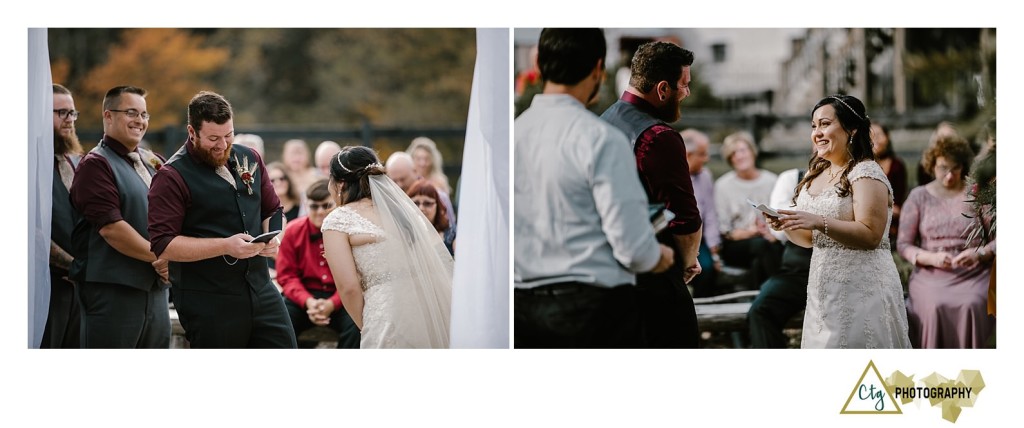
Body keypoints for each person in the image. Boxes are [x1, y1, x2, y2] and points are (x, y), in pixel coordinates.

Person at [515, 28, 675, 348]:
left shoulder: (513, 136)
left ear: (539, 63)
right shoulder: (600, 138)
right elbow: (633, 249)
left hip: (521, 310)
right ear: (598, 68)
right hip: (594, 311)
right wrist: (661, 256)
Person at [148, 91, 297, 348]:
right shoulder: (171, 176)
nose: (222, 145)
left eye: (228, 135)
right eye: (213, 138)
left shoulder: (249, 157)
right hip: (209, 302)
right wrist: (226, 246)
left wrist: (275, 237)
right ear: (192, 132)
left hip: (262, 290)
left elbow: (273, 210)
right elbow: (163, 243)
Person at [767, 94, 911, 349]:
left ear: (852, 129)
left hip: (863, 287)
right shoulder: (817, 173)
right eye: (813, 126)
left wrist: (816, 220)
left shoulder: (866, 172)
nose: (817, 133)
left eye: (825, 124)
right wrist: (787, 225)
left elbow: (870, 235)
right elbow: (810, 240)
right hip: (822, 289)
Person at [600, 41, 703, 348]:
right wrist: (687, 263)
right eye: (683, 85)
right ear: (662, 89)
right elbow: (685, 219)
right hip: (653, 281)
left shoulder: (602, 122)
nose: (686, 93)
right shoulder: (659, 137)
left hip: (607, 280)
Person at [321, 146, 454, 348]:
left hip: (385, 314)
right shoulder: (404, 213)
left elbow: (348, 289)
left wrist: (366, 324)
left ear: (339, 184)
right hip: (428, 310)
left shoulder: (336, 221)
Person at [68, 85, 170, 348]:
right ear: (108, 116)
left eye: (145, 115)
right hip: (112, 290)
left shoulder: (153, 161)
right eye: (131, 112)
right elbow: (111, 228)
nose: (140, 120)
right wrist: (161, 257)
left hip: (156, 291)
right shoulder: (96, 164)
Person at [897, 135, 995, 348]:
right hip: (931, 273)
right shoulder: (918, 197)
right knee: (933, 305)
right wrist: (931, 258)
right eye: (943, 168)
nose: (949, 175)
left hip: (974, 272)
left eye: (955, 168)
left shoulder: (977, 194)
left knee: (972, 303)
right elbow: (903, 244)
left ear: (964, 166)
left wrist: (979, 254)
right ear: (932, 165)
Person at [277, 179, 360, 348]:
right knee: (280, 319)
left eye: (326, 206)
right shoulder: (293, 230)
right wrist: (308, 301)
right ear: (306, 206)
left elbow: (357, 276)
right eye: (314, 206)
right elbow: (287, 275)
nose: (320, 211)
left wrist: (333, 303)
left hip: (341, 296)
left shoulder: (349, 232)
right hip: (303, 296)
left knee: (357, 325)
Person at [747, 168, 813, 348]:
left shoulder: (854, 177)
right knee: (761, 310)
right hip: (797, 271)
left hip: (838, 271)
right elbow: (779, 235)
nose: (820, 139)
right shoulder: (792, 177)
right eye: (815, 138)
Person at [42, 84, 83, 348]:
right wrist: (73, 266)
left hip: (81, 288)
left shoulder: (77, 161)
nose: (69, 120)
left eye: (72, 113)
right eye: (61, 113)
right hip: (46, 287)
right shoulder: (28, 163)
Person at [714, 131, 782, 290]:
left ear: (752, 152)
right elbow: (725, 231)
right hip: (736, 244)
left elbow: (781, 214)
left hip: (769, 239)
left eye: (743, 150)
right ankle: (777, 292)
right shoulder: (722, 186)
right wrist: (751, 232)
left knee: (762, 256)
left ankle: (759, 299)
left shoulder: (772, 181)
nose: (739, 156)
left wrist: (769, 231)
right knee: (761, 246)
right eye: (733, 153)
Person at [681, 128, 721, 298]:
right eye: (702, 154)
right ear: (688, 154)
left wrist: (714, 250)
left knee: (706, 267)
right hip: (675, 237)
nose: (707, 158)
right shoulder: (671, 176)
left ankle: (703, 310)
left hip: (698, 239)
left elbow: (710, 213)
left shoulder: (705, 176)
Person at [387, 150, 457, 231]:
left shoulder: (438, 196)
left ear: (415, 171)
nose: (399, 185)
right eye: (394, 181)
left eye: (403, 179)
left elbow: (451, 229)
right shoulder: (388, 199)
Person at [870, 123, 907, 247]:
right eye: (870, 135)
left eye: (879, 135)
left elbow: (898, 204)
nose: (875, 139)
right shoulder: (861, 166)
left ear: (887, 137)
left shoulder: (897, 165)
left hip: (892, 219)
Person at [407, 178, 456, 255]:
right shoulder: (403, 235)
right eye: (415, 203)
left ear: (437, 206)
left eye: (427, 203)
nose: (421, 208)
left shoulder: (452, 234)